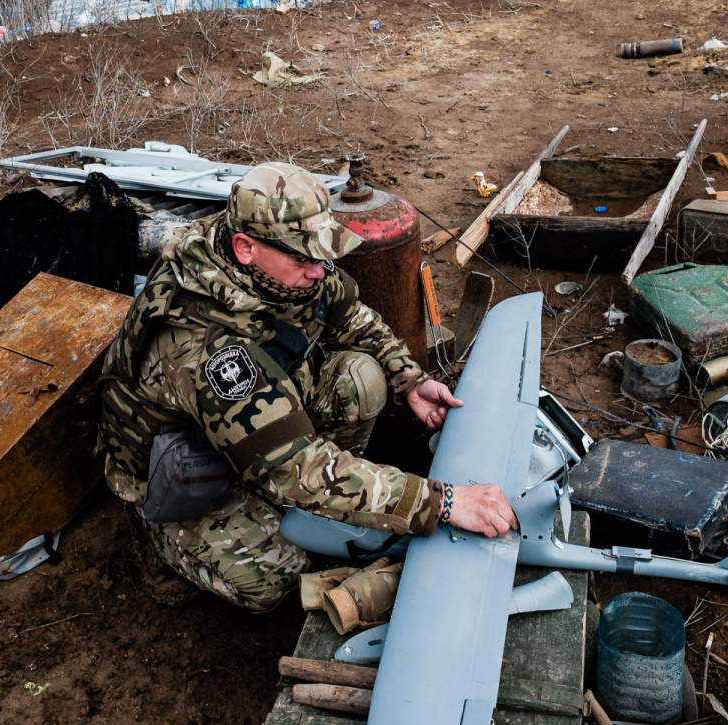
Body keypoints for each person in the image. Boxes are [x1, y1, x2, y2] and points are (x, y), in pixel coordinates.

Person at [98, 161, 517, 611]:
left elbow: (350, 314)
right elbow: (295, 467)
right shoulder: (203, 347)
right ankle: (162, 540)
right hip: (181, 470)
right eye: (304, 258)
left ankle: (309, 500)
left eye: (321, 255)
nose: (319, 271)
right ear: (244, 248)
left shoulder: (276, 258)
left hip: (252, 427)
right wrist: (442, 502)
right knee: (274, 576)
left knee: (359, 379)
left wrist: (408, 377)